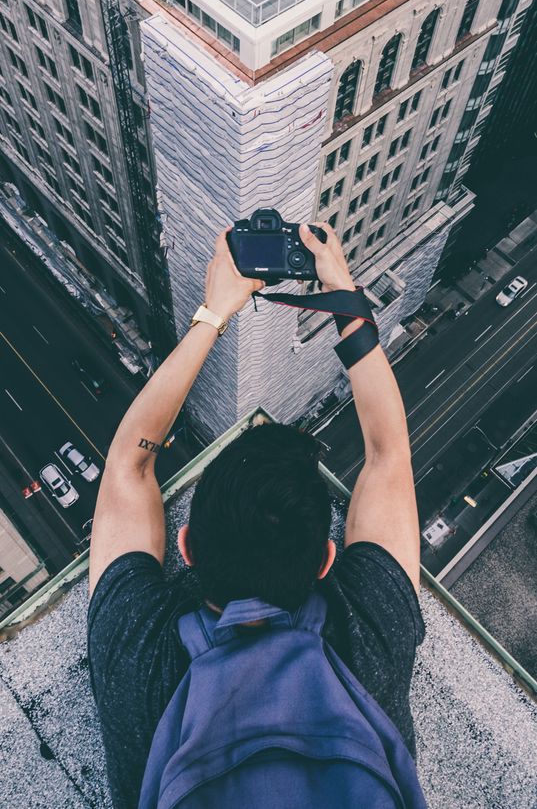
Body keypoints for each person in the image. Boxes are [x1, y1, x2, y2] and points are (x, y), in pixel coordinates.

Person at [87, 222, 425, 809]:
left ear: (185, 547)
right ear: (326, 559)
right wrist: (341, 294)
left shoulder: (138, 662)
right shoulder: (371, 634)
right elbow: (389, 454)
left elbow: (127, 467)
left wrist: (214, 314)